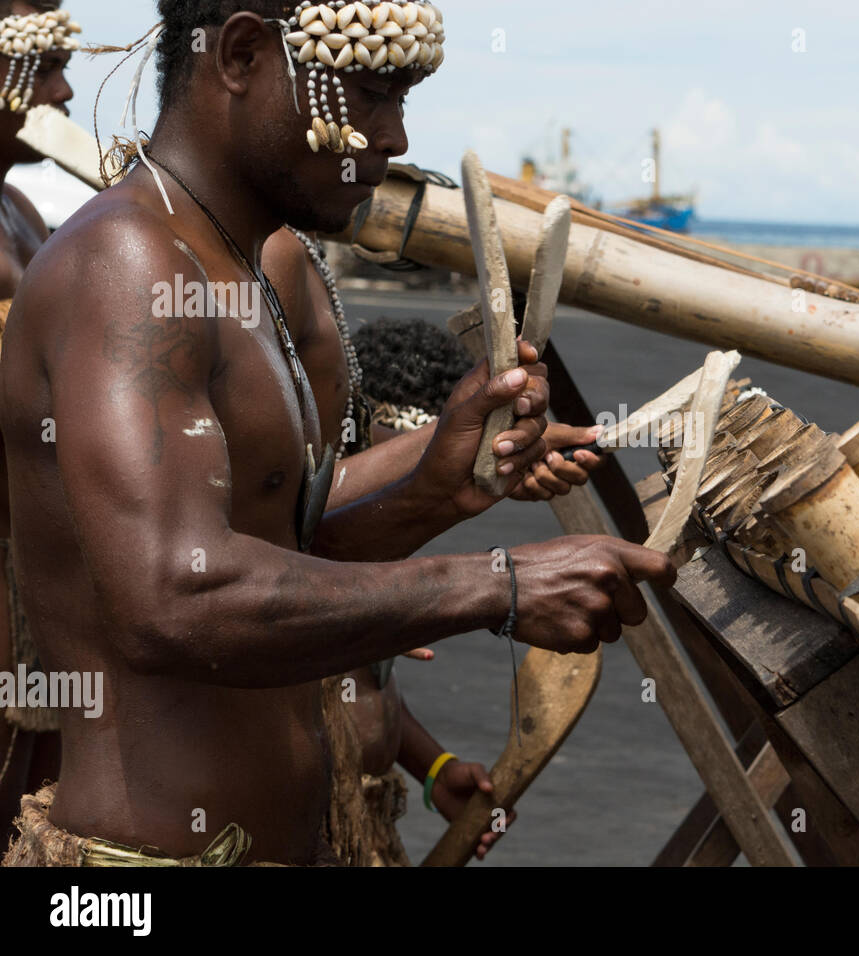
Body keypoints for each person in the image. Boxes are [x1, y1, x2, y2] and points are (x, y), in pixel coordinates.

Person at [1, 0, 672, 867]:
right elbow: (173, 597)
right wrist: (493, 586)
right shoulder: (130, 265)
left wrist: (438, 472)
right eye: (367, 91)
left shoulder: (227, 263)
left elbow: (280, 540)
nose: (392, 137)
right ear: (240, 54)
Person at [261, 235, 606, 865]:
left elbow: (373, 689)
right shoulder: (301, 556)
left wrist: (431, 763)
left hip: (365, 811)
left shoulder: (359, 541)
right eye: (390, 441)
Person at [0, 0, 77, 848]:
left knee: (36, 811)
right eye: (40, 61)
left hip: (42, 577)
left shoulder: (23, 210)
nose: (61, 88)